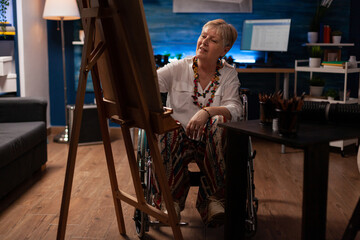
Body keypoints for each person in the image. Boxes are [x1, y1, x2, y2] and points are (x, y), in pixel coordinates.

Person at [155, 19, 242, 227]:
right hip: (178, 141)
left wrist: (207, 112)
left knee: (219, 121)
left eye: (212, 40)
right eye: (203, 36)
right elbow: (148, 83)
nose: (204, 42)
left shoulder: (229, 75)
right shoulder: (177, 68)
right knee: (167, 127)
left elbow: (236, 110)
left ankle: (214, 201)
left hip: (212, 144)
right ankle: (171, 202)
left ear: (225, 49)